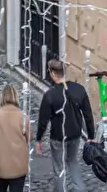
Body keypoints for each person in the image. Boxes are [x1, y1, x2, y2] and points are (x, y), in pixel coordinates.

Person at [35, 59, 96, 192]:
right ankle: (80, 189)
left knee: (59, 167)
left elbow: (43, 121)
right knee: (72, 161)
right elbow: (88, 115)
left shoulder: (50, 96)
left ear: (52, 73)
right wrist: (91, 135)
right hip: (75, 134)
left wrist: (39, 139)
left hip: (58, 137)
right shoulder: (79, 89)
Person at [0, 84, 32, 192]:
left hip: (0, 165)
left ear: (2, 97)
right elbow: (29, 138)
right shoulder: (23, 116)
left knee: (0, 188)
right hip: (19, 165)